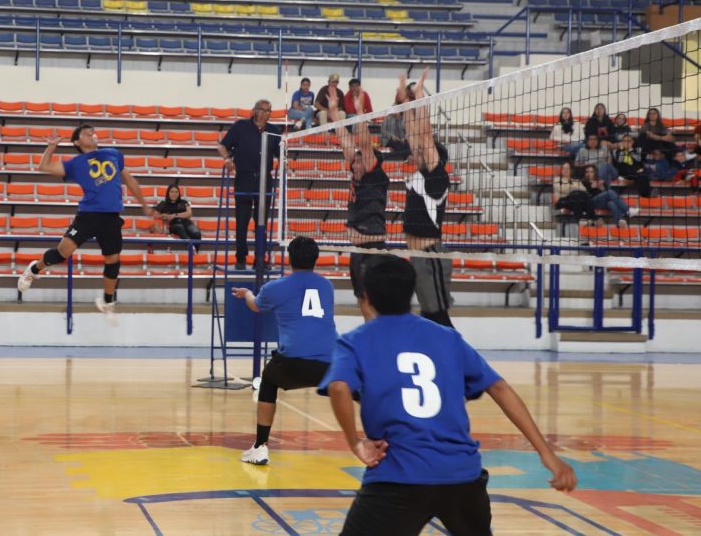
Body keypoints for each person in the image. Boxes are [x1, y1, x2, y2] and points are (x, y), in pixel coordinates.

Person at [319, 254, 577, 536]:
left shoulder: (355, 341)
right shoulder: (447, 337)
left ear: (365, 298)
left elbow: (339, 387)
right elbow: (500, 387)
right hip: (462, 477)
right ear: (413, 293)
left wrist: (355, 442)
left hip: (399, 476)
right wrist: (546, 453)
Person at [17, 125, 152, 322]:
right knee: (62, 253)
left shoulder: (113, 153)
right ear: (77, 142)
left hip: (111, 216)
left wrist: (145, 206)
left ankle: (107, 303)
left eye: (93, 131)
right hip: (88, 214)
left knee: (113, 260)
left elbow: (130, 180)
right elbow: (43, 167)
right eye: (85, 132)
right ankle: (34, 269)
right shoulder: (76, 163)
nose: (91, 133)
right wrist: (51, 147)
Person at [230, 236, 337, 465]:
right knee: (355, 390)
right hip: (331, 362)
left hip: (294, 362)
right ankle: (383, 437)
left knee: (267, 381)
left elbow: (256, 306)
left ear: (289, 259)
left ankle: (260, 447)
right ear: (316, 259)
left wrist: (246, 294)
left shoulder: (275, 288)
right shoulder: (327, 286)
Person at [399, 69, 454, 328]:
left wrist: (420, 99)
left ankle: (464, 365)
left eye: (424, 152)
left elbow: (425, 135)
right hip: (418, 255)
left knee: (438, 318)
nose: (417, 151)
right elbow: (414, 135)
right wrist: (406, 103)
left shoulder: (437, 176)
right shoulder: (421, 173)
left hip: (431, 255)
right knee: (429, 318)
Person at [326, 90, 387, 302]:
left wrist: (360, 112)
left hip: (372, 246)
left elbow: (364, 144)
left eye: (361, 160)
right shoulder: (357, 169)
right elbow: (346, 141)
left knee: (373, 300)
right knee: (362, 300)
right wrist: (334, 113)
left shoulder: (375, 173)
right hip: (358, 247)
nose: (356, 162)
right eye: (356, 161)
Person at [217, 99, 283, 271]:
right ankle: (241, 258)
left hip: (265, 180)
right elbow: (222, 146)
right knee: (242, 221)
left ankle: (260, 258)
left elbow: (281, 154)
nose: (265, 113)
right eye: (262, 109)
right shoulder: (241, 126)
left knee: (262, 222)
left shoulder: (274, 131)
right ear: (254, 110)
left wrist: (285, 160)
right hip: (244, 179)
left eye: (269, 110)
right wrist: (227, 159)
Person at [154, 184, 201, 249]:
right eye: (172, 191)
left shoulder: (184, 202)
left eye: (176, 192)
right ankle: (190, 247)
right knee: (180, 227)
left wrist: (175, 215)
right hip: (174, 225)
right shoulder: (163, 204)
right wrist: (163, 215)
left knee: (197, 234)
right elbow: (155, 215)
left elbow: (189, 213)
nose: (174, 194)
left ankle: (195, 252)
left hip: (186, 223)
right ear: (168, 193)